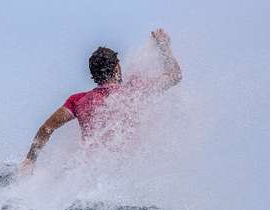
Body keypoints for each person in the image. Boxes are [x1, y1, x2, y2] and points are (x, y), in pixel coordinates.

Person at [18, 29, 182, 175]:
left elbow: (47, 128)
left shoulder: (78, 101)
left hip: (89, 172)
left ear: (94, 74)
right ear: (117, 68)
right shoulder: (134, 91)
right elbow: (175, 76)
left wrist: (30, 160)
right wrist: (164, 46)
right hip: (124, 172)